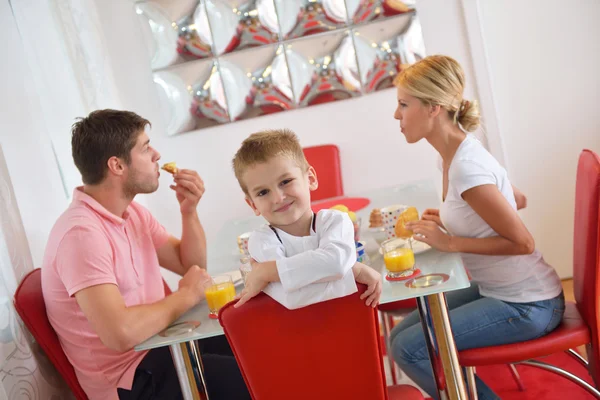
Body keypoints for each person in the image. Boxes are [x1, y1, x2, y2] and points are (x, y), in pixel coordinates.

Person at [388, 55, 564, 400]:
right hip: (500, 291)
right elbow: (519, 199)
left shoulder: (466, 167)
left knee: (409, 349)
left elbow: (523, 243)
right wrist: (452, 218)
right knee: (396, 340)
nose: (397, 115)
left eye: (403, 104)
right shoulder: (455, 153)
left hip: (528, 304)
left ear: (433, 107)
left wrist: (450, 241)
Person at [41, 110, 250, 400]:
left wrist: (188, 211)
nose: (157, 154)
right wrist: (186, 296)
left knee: (259, 341)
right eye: (145, 147)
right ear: (116, 165)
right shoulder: (80, 235)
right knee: (259, 378)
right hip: (132, 378)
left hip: (165, 343)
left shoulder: (132, 213)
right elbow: (120, 334)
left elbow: (190, 266)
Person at [231, 129, 381, 309]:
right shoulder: (260, 241)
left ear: (310, 178)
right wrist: (353, 271)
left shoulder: (336, 221)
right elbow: (293, 299)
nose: (278, 198)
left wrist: (270, 271)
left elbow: (336, 262)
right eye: (263, 192)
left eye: (285, 181)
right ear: (253, 205)